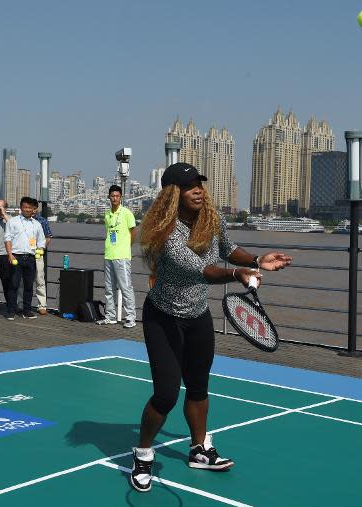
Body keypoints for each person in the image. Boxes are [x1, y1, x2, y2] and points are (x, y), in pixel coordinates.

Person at [129, 162, 291, 493]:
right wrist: (236, 275)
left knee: (199, 387)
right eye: (190, 187)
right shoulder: (168, 234)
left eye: (200, 184)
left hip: (198, 316)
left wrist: (257, 261)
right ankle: (143, 453)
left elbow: (227, 249)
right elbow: (201, 270)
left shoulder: (210, 221)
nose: (199, 190)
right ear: (174, 194)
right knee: (166, 394)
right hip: (164, 319)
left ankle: (199, 448)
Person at [96, 184, 137, 328]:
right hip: (109, 255)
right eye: (112, 196)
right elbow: (109, 233)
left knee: (125, 287)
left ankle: (131, 318)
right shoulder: (107, 214)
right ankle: (110, 316)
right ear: (109, 197)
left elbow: (133, 233)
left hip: (122, 256)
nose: (115, 198)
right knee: (109, 288)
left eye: (117, 196)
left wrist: (126, 247)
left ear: (121, 197)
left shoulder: (126, 213)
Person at [4, 197, 45, 321]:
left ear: (33, 209)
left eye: (30, 207)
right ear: (21, 207)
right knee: (14, 284)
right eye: (25, 207)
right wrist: (10, 254)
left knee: (28, 286)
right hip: (16, 256)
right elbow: (7, 238)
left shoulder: (36, 224)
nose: (27, 209)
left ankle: (27, 311)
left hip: (31, 258)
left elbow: (42, 240)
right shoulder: (13, 221)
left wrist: (40, 249)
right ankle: (11, 311)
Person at [17, 204, 52, 315]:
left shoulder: (42, 221)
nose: (31, 210)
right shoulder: (20, 221)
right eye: (28, 207)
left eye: (34, 208)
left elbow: (48, 237)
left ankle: (42, 305)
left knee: (39, 279)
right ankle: (20, 304)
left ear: (36, 209)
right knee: (22, 280)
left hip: (37, 255)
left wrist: (40, 248)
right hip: (25, 254)